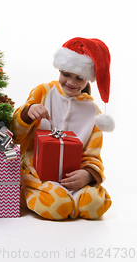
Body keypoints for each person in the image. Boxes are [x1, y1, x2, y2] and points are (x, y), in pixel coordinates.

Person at [11, 37, 113, 220]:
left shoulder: (93, 112)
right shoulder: (42, 92)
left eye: (79, 78)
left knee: (96, 203)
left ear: (88, 79)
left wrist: (88, 175)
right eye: (66, 74)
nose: (71, 83)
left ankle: (70, 201)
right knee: (58, 204)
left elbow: (93, 154)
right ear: (59, 69)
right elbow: (17, 137)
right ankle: (30, 193)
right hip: (37, 174)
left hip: (73, 178)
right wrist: (27, 113)